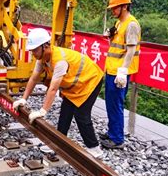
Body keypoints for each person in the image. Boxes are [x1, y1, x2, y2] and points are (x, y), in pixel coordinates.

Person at [13, 28, 104, 158]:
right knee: (65, 113)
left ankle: (94, 148)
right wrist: (24, 99)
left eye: (35, 50)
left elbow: (53, 89)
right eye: (32, 50)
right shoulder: (42, 58)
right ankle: (58, 143)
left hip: (90, 81)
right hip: (74, 85)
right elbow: (33, 78)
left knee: (81, 115)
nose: (33, 53)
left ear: (45, 46)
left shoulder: (60, 61)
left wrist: (43, 111)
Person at [102, 0, 141, 149]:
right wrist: (110, 36)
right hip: (111, 69)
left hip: (119, 73)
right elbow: (118, 44)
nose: (113, 11)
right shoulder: (119, 23)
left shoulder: (131, 24)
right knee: (111, 103)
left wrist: (123, 71)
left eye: (115, 8)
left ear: (124, 6)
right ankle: (113, 132)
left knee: (116, 103)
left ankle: (117, 138)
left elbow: (131, 50)